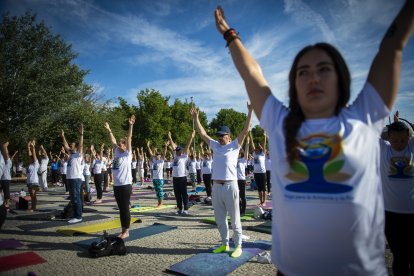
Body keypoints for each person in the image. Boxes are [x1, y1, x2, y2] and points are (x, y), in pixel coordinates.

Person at [214, 2, 413, 274]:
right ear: (294, 84)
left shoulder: (363, 117)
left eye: (324, 69)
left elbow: (391, 49)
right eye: (303, 72)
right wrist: (230, 36)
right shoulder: (280, 122)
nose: (313, 78)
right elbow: (252, 74)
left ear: (340, 78)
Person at [191, 103, 252, 258]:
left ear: (228, 136)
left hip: (231, 186)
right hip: (216, 186)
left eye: (222, 135)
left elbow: (245, 131)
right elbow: (203, 133)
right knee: (220, 219)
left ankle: (238, 245)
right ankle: (224, 244)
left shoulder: (234, 145)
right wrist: (196, 118)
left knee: (235, 218)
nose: (219, 138)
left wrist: (250, 111)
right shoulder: (215, 146)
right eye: (218, 135)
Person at [380, 111, 414, 276]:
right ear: (388, 138)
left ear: (409, 137)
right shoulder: (383, 150)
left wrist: (400, 122)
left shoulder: (412, 148)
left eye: (403, 139)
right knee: (400, 256)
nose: (399, 143)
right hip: (391, 215)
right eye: (394, 140)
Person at [104, 115, 135, 239]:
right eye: (121, 143)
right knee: (121, 208)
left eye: (123, 144)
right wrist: (109, 129)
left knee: (125, 208)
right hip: (116, 185)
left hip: (126, 184)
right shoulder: (116, 151)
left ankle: (126, 230)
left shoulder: (128, 154)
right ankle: (123, 229)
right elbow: (112, 141)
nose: (121, 145)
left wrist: (131, 125)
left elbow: (129, 137)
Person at [168, 130, 195, 215]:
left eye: (179, 150)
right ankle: (180, 209)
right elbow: (172, 145)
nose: (178, 151)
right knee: (177, 194)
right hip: (175, 178)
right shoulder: (175, 156)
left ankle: (186, 209)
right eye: (177, 150)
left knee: (184, 194)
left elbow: (187, 146)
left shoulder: (184, 157)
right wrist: (170, 137)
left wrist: (191, 137)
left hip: (182, 178)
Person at [61, 124, 84, 224]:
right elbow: (65, 146)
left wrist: (81, 134)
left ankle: (78, 216)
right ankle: (75, 214)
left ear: (76, 147)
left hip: (76, 178)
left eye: (72, 145)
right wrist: (63, 136)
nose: (70, 146)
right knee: (73, 198)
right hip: (70, 178)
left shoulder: (78, 154)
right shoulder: (70, 154)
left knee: (76, 197)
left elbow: (81, 145)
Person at [146, 141, 167, 207]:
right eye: (156, 154)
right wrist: (148, 146)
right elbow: (151, 153)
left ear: (160, 155)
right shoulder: (155, 160)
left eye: (158, 154)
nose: (157, 155)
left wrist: (165, 147)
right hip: (154, 178)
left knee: (160, 191)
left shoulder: (161, 160)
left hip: (159, 178)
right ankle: (159, 202)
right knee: (157, 192)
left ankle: (160, 203)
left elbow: (164, 153)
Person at [249, 132, 267, 206]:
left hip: (262, 173)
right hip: (256, 173)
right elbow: (252, 144)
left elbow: (264, 144)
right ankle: (261, 201)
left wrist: (265, 137)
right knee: (259, 189)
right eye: (255, 150)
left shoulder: (262, 154)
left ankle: (264, 201)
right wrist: (250, 134)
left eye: (257, 150)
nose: (255, 150)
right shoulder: (254, 154)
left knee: (263, 189)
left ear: (259, 150)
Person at [0, 142, 17, 209]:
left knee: (6, 192)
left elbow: (6, 154)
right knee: (1, 191)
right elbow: (10, 156)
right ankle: (3, 203)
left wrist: (5, 147)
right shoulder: (5, 161)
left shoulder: (8, 161)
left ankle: (7, 205)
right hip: (2, 178)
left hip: (6, 179)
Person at [237, 135, 250, 216]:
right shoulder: (234, 159)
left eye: (239, 153)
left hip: (241, 179)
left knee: (242, 195)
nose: (237, 154)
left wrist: (247, 143)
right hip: (234, 180)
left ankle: (243, 210)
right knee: (236, 196)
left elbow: (246, 152)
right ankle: (238, 209)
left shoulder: (243, 160)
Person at [26, 140, 40, 212]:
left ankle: (33, 207)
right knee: (32, 196)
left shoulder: (36, 164)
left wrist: (33, 148)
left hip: (34, 182)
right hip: (29, 182)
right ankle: (33, 207)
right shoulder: (30, 164)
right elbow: (29, 155)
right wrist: (28, 147)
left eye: (32, 158)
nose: (30, 158)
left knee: (33, 195)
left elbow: (33, 155)